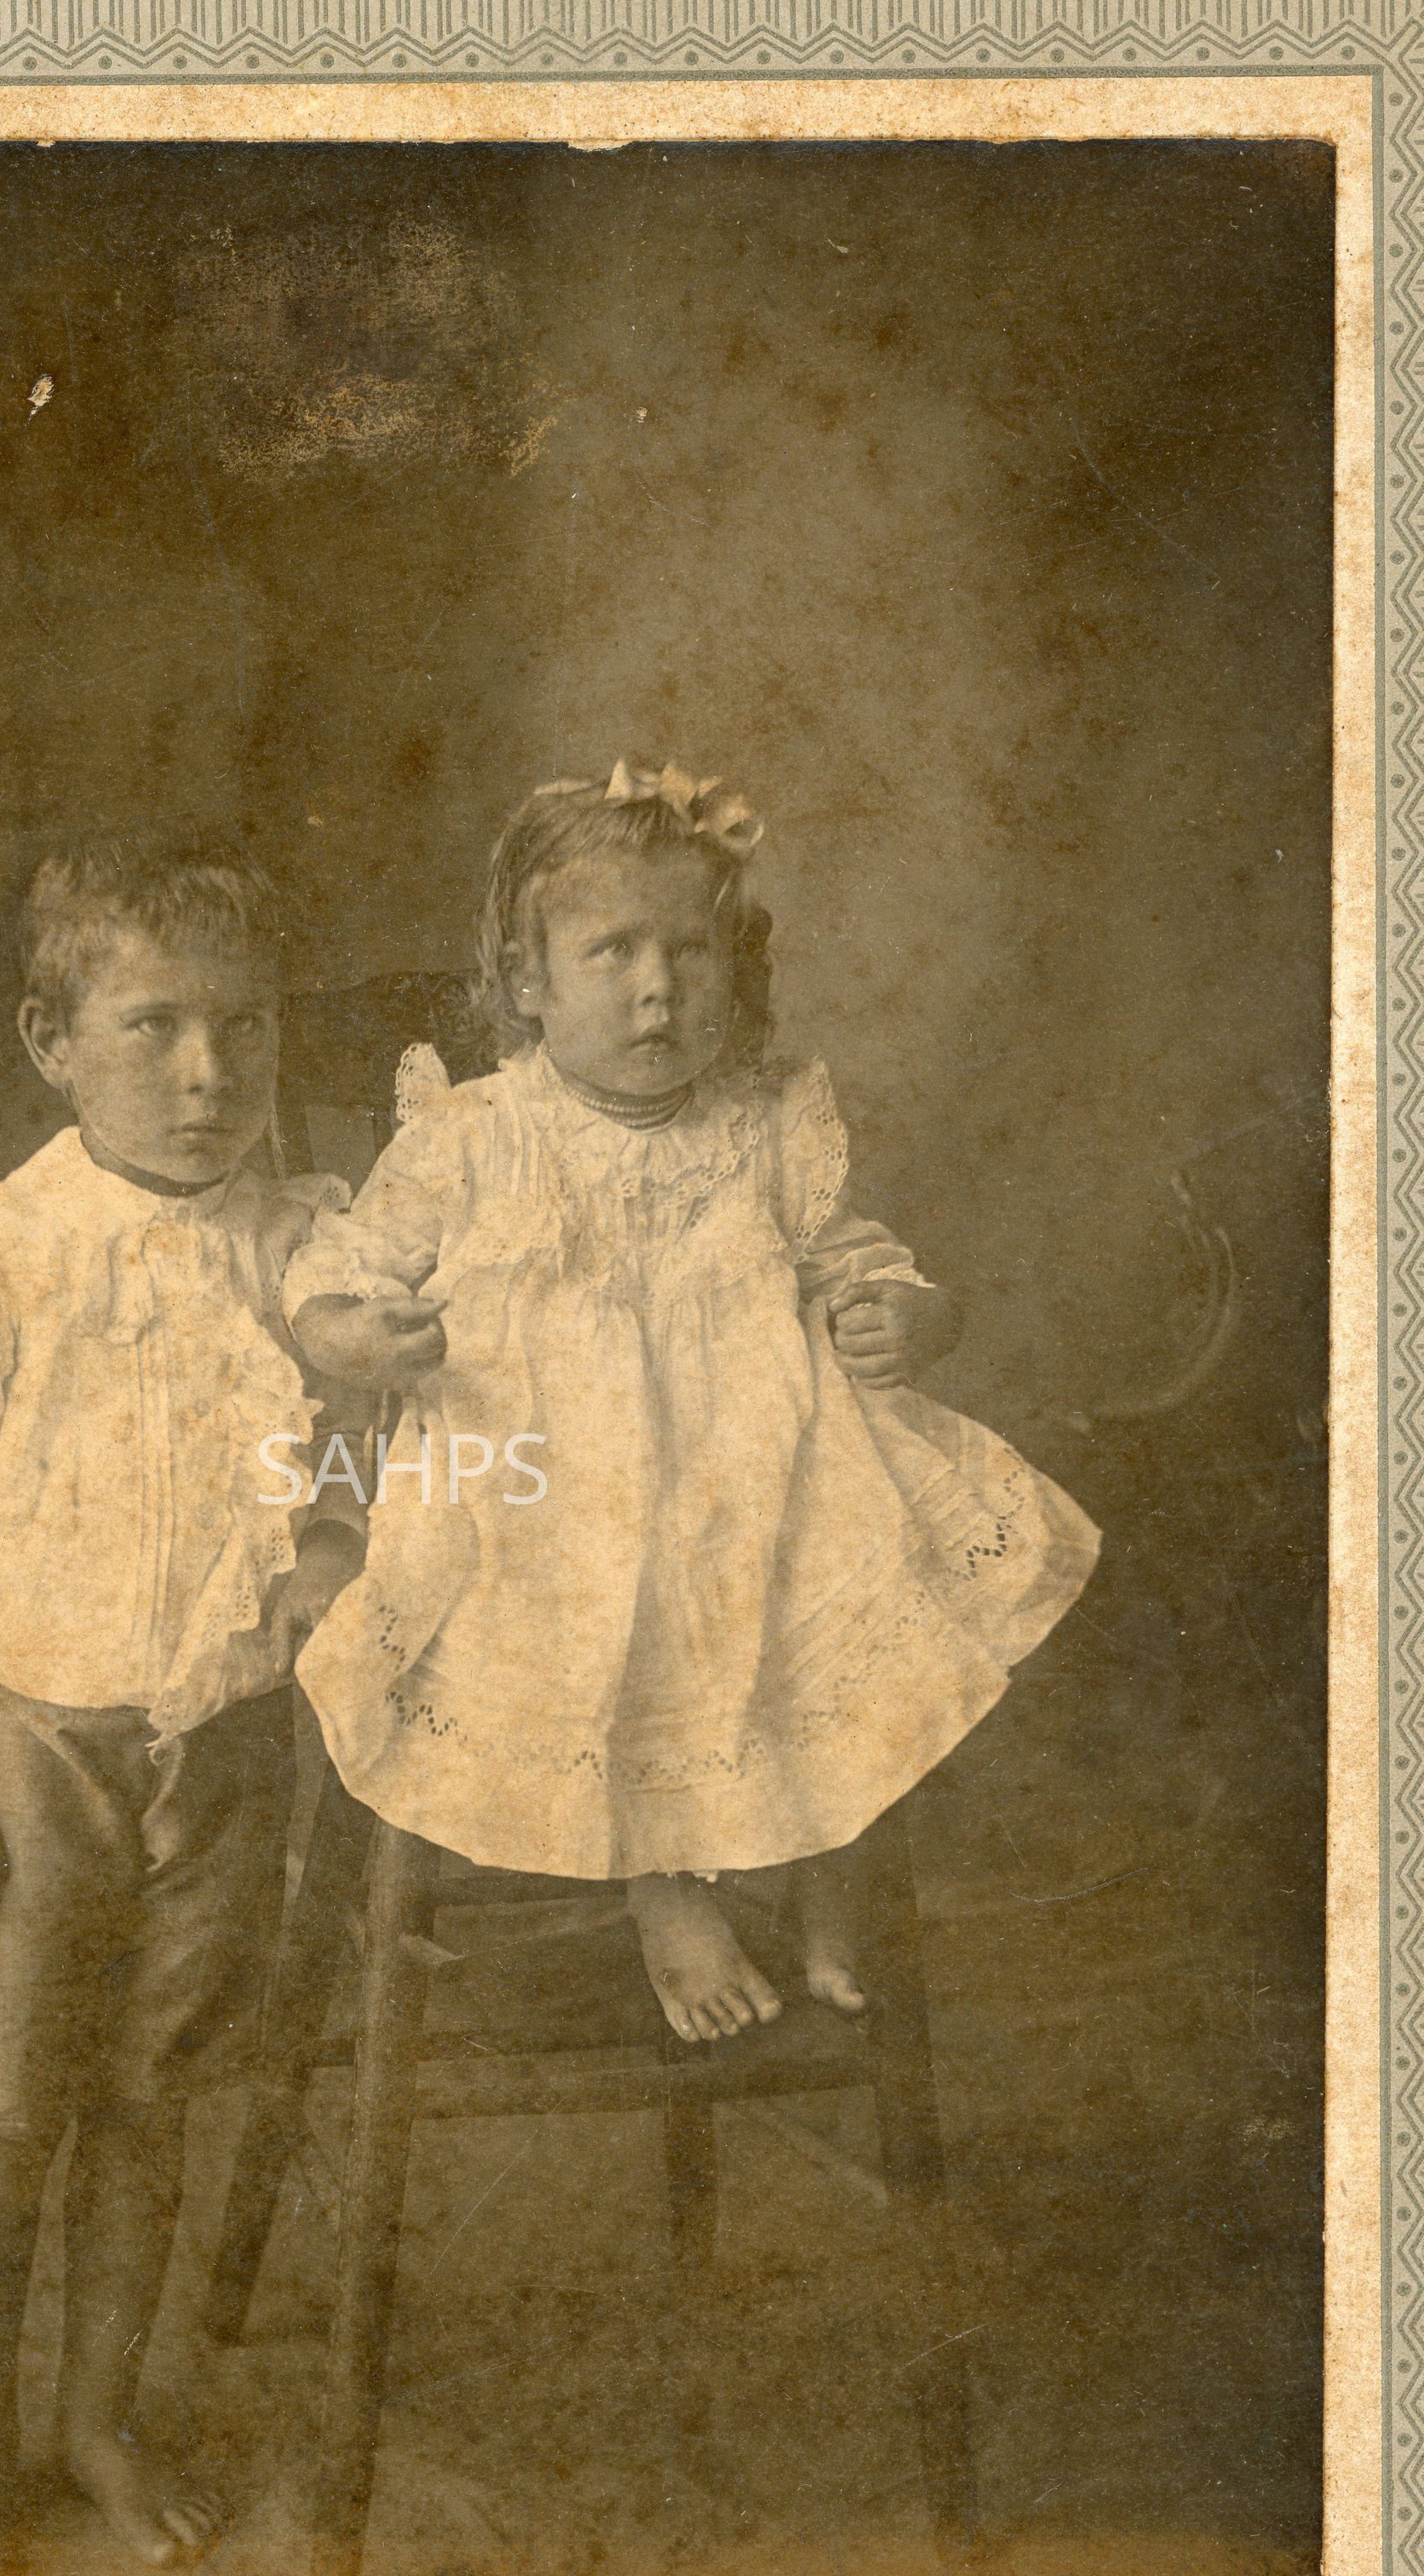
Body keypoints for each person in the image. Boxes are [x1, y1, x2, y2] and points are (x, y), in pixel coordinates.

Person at [284, 760, 1099, 2044]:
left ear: (735, 970)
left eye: (691, 950)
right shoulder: (472, 1135)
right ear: (528, 982)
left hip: (755, 1464)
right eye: (613, 951)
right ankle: (663, 1884)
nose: (658, 986)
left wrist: (910, 1313)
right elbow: (337, 1269)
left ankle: (823, 1861)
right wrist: (357, 1334)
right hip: (540, 1485)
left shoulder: (763, 1122)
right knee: (624, 1583)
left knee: (834, 1562)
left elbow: (847, 1254)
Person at [0, 835, 359, 2576]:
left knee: (151, 2105)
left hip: (218, 1745)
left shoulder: (306, 1247)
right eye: (156, 1026)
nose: (210, 1071)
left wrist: (332, 1536)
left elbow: (362, 1444)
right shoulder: (6, 1250)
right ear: (50, 1041)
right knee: (0, 2118)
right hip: (32, 1744)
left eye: (245, 1025)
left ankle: (96, 2418)